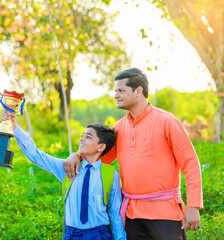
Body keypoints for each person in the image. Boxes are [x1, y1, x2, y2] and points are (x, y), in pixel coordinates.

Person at [64, 68, 203, 240]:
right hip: (131, 215)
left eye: (121, 90)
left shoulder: (168, 122)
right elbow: (97, 157)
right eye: (115, 91)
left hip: (166, 214)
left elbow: (191, 163)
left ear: (138, 91)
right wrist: (76, 155)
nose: (116, 95)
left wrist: (194, 206)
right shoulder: (119, 128)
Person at [1, 111, 126, 240]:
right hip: (72, 234)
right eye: (82, 135)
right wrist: (14, 126)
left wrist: (121, 238)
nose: (81, 139)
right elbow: (36, 156)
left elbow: (115, 212)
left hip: (100, 234)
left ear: (101, 147)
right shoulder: (67, 168)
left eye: (88, 137)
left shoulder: (111, 174)